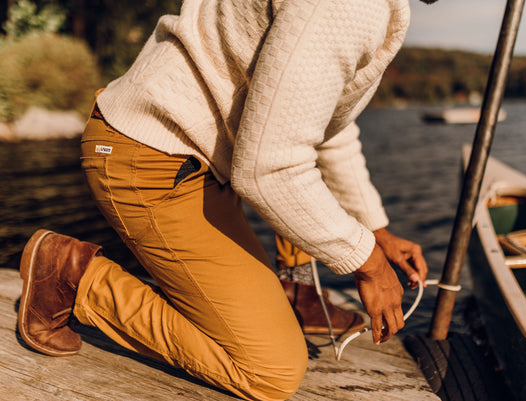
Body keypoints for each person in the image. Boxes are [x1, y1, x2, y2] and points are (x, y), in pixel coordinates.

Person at [17, 0, 428, 400]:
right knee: (270, 370)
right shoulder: (351, 5)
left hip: (191, 163)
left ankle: (285, 296)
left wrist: (375, 230)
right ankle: (73, 275)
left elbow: (328, 129)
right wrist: (367, 262)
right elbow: (270, 168)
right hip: (153, 159)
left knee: (267, 301)